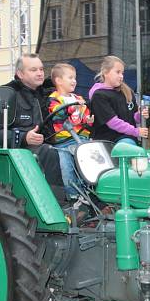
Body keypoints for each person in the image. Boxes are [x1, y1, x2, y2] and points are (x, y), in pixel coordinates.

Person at [0, 53, 64, 201]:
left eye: (41, 69)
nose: (40, 73)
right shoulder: (6, 94)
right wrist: (24, 137)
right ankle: (57, 203)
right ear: (20, 73)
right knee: (49, 152)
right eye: (33, 69)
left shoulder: (50, 93)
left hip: (51, 144)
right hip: (21, 151)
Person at [47, 63, 94, 199]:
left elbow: (84, 115)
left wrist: (88, 119)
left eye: (75, 78)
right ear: (59, 81)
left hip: (81, 140)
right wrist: (72, 108)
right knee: (66, 170)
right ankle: (73, 197)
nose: (74, 81)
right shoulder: (54, 99)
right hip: (63, 143)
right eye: (70, 77)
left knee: (85, 170)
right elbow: (57, 114)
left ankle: (87, 195)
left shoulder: (78, 98)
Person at [89, 55, 148, 144]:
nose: (121, 76)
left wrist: (140, 114)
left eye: (122, 73)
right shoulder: (99, 95)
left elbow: (133, 118)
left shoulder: (127, 92)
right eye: (117, 72)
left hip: (128, 139)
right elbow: (112, 122)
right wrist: (135, 131)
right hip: (108, 142)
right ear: (105, 72)